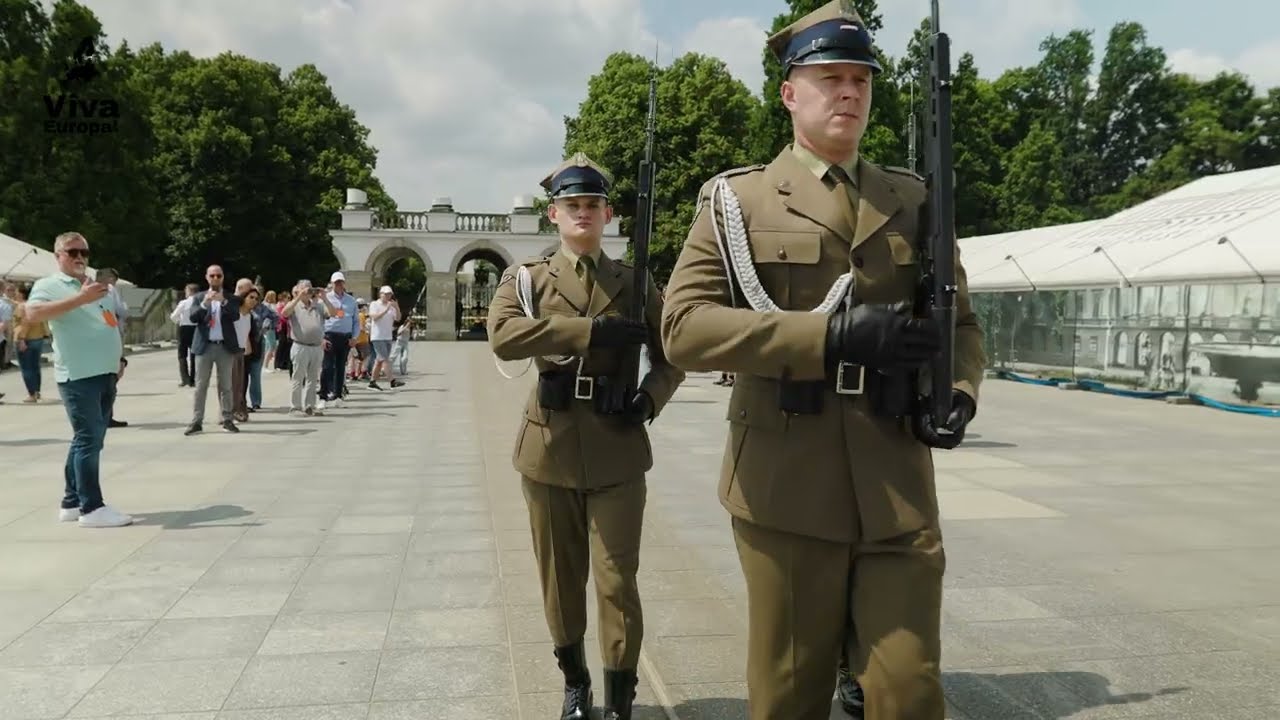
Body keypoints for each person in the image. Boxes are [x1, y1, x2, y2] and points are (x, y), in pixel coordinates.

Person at [658, 2, 986, 718]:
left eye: (861, 79)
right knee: (788, 695)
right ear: (789, 93)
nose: (849, 92)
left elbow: (959, 320)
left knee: (910, 691)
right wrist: (829, 338)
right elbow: (682, 328)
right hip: (787, 484)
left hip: (895, 481)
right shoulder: (738, 200)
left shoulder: (913, 198)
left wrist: (959, 391)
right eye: (830, 77)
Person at [486, 152, 685, 720]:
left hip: (617, 444)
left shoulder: (635, 280)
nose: (583, 213)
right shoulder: (527, 277)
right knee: (560, 577)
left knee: (617, 580)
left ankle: (620, 698)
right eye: (572, 204)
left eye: (593, 204)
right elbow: (503, 336)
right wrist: (590, 330)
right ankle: (575, 684)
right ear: (553, 214)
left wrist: (649, 399)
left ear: (608, 214)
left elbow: (672, 356)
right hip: (548, 447)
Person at [24, 232, 132, 527]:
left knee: (87, 440)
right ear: (58, 255)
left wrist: (119, 358)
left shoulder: (98, 287)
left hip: (106, 372)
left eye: (84, 252)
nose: (80, 257)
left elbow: (109, 323)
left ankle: (71, 502)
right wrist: (80, 299)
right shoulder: (49, 285)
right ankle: (92, 508)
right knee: (88, 441)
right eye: (73, 252)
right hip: (78, 375)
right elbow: (32, 313)